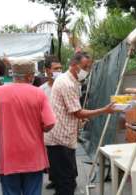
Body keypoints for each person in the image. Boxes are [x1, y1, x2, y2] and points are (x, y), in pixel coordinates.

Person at [47, 52, 117, 195]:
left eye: (89, 67)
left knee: (67, 180)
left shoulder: (71, 81)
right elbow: (77, 112)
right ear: (74, 66)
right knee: (66, 182)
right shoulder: (67, 83)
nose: (88, 71)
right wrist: (104, 110)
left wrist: (80, 119)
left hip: (63, 138)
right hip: (60, 140)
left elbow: (71, 111)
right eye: (85, 67)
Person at [0, 59, 56, 195]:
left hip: (8, 158)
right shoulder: (39, 93)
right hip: (33, 158)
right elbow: (49, 124)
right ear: (29, 76)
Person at [38, 55, 63, 190]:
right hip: (48, 129)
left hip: (63, 128)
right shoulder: (41, 90)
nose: (59, 71)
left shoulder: (66, 85)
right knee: (51, 157)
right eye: (56, 68)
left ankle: (68, 182)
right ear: (47, 70)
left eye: (60, 68)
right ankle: (54, 179)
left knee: (65, 157)